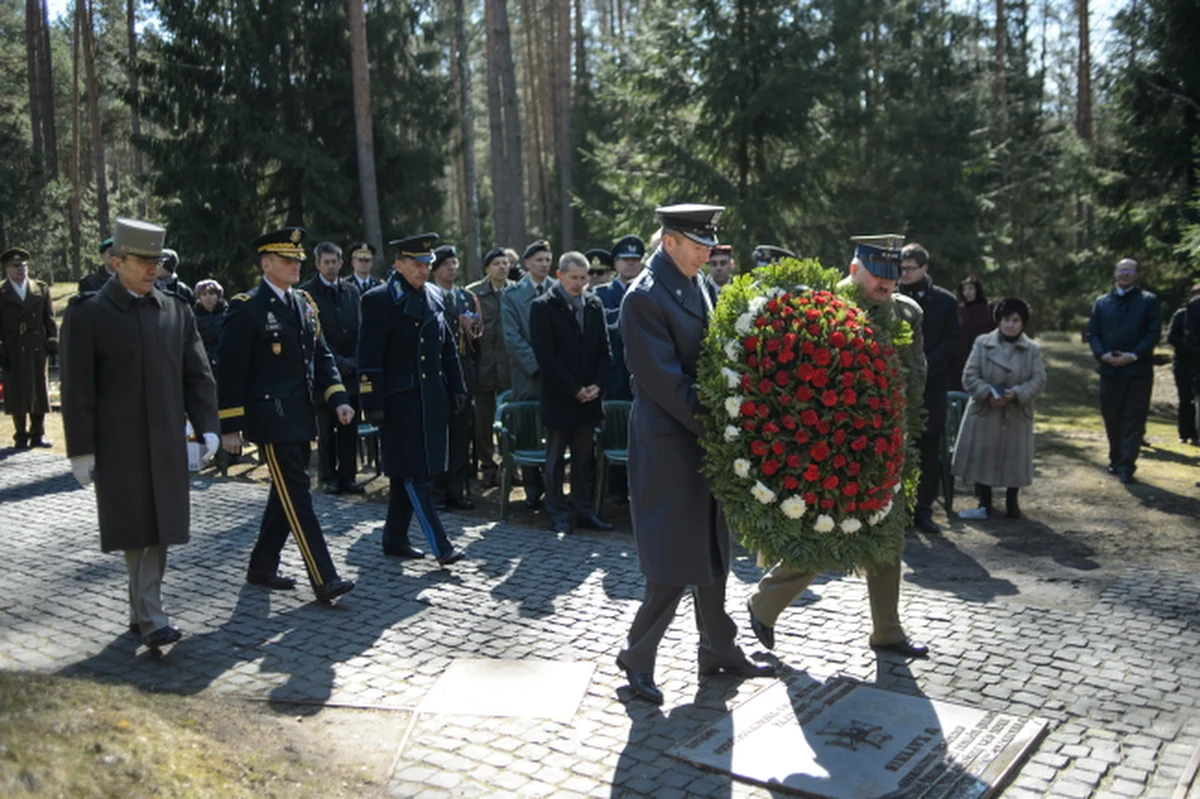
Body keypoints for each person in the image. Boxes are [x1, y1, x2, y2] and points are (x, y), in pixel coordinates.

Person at [618, 204, 774, 707]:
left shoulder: (696, 282)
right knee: (671, 558)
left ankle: (718, 648)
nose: (708, 251)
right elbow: (666, 381)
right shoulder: (642, 298)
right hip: (669, 441)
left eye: (710, 242)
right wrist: (725, 422)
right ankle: (637, 658)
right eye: (698, 242)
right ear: (670, 242)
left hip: (701, 438)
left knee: (713, 548)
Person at [746, 234, 930, 660]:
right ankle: (764, 605)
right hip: (833, 446)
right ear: (853, 270)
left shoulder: (906, 313)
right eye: (878, 277)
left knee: (888, 537)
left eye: (893, 278)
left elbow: (917, 373)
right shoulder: (824, 307)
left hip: (886, 443)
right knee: (826, 532)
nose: (886, 286)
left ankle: (887, 630)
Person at [60, 218, 219, 647]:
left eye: (157, 261)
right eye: (143, 261)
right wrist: (81, 450)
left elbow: (197, 376)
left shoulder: (175, 310)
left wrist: (208, 429)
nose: (154, 269)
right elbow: (77, 390)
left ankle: (142, 612)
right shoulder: (88, 314)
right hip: (120, 445)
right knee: (138, 529)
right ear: (116, 262)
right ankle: (152, 616)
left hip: (166, 440)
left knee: (159, 528)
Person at [217, 226, 356, 603]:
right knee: (298, 497)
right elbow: (230, 371)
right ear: (266, 264)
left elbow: (322, 355)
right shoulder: (247, 308)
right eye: (286, 259)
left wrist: (338, 397)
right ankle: (324, 577)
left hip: (300, 415)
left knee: (284, 496)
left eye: (297, 259)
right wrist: (230, 426)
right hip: (271, 420)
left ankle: (262, 566)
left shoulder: (304, 304)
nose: (295, 265)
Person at [358, 233, 468, 566]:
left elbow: (447, 349)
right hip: (399, 400)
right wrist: (370, 400)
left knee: (407, 472)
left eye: (427, 264)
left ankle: (394, 538)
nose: (423, 270)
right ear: (399, 264)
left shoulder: (435, 296)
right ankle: (442, 545)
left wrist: (458, 386)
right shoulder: (378, 300)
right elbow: (368, 355)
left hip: (431, 399)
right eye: (417, 264)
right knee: (415, 474)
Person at [529, 251, 614, 534]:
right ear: (560, 276)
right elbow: (546, 357)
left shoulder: (594, 304)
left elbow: (605, 351)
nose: (579, 283)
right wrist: (574, 389)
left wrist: (596, 386)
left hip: (589, 398)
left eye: (583, 277)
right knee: (555, 459)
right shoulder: (543, 307)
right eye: (573, 277)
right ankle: (557, 512)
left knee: (583, 458)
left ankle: (584, 510)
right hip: (560, 397)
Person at [952, 298, 1047, 519]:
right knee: (984, 455)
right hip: (987, 410)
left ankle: (1012, 501)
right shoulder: (982, 343)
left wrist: (1018, 393)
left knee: (1014, 459)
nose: (1010, 325)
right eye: (1006, 319)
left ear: (1023, 323)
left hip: (1016, 412)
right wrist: (986, 393)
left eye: (1016, 320)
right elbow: (969, 375)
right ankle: (984, 501)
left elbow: (1039, 379)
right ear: (998, 320)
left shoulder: (1032, 349)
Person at [897, 242, 961, 533]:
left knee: (929, 448)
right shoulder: (893, 298)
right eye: (902, 268)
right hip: (897, 385)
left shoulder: (946, 302)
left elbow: (953, 340)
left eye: (911, 268)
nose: (905, 273)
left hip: (932, 386)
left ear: (925, 268)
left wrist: (925, 365)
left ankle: (923, 509)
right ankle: (900, 509)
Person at [1086, 258, 1162, 483]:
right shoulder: (1102, 302)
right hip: (1110, 369)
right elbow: (1093, 333)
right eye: (1121, 270)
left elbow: (1153, 332)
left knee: (1134, 419)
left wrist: (1134, 355)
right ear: (1115, 273)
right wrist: (1103, 355)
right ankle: (1115, 460)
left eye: (1130, 270)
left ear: (1137, 275)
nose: (1125, 274)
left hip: (1138, 370)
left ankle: (1127, 466)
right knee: (1112, 416)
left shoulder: (1148, 301)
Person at [299, 241, 364, 495]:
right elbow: (314, 336)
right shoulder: (306, 294)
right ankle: (328, 477)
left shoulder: (351, 291)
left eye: (334, 261)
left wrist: (355, 361)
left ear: (341, 262)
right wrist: (338, 361)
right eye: (325, 262)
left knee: (350, 427)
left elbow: (361, 328)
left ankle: (349, 475)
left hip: (352, 370)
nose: (331, 266)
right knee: (326, 429)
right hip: (325, 371)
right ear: (317, 264)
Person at [501, 239, 556, 508]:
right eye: (539, 260)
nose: (544, 264)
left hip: (556, 376)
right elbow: (512, 338)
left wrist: (555, 367)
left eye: (547, 259)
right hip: (527, 375)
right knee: (527, 430)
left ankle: (553, 485)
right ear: (526, 264)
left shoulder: (558, 291)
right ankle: (532, 488)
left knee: (553, 428)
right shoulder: (512, 296)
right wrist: (538, 366)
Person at [595, 234, 646, 504]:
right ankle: (615, 487)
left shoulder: (648, 291)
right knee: (615, 431)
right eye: (626, 260)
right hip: (614, 376)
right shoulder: (602, 294)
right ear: (615, 263)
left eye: (635, 260)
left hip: (644, 377)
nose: (631, 265)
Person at [430, 243, 481, 510]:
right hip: (438, 375)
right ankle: (437, 492)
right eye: (446, 264)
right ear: (435, 269)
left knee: (462, 434)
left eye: (454, 264)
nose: (451, 268)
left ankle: (457, 490)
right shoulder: (428, 295)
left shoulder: (465, 297)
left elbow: (476, 341)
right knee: (440, 435)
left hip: (463, 372)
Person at [0, 247, 57, 448]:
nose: (21, 270)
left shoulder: (40, 288)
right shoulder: (2, 292)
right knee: (16, 391)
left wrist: (52, 340)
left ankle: (37, 434)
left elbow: (49, 319)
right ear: (7, 269)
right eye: (15, 267)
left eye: (23, 266)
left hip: (36, 346)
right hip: (13, 346)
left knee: (38, 389)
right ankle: (20, 435)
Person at [467, 247, 514, 488]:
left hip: (509, 368)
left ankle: (510, 465)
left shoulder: (516, 291)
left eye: (505, 263)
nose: (502, 267)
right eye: (497, 263)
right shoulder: (473, 293)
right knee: (483, 421)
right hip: (483, 367)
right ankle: (487, 465)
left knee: (509, 419)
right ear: (487, 268)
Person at [949, 275, 996, 392]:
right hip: (961, 357)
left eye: (970, 288)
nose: (967, 292)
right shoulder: (959, 310)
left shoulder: (989, 308)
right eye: (965, 289)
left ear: (977, 290)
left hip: (984, 356)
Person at [1166, 284, 1200, 444]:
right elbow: (1171, 337)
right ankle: (1184, 432)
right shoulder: (1181, 314)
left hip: (1197, 362)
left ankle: (1196, 433)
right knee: (1185, 398)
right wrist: (1187, 344)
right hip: (1183, 362)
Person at [193, 279, 227, 368]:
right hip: (203, 361)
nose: (208, 297)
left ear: (218, 296)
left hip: (225, 358)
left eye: (211, 294)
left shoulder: (228, 314)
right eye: (204, 294)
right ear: (199, 298)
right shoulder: (193, 316)